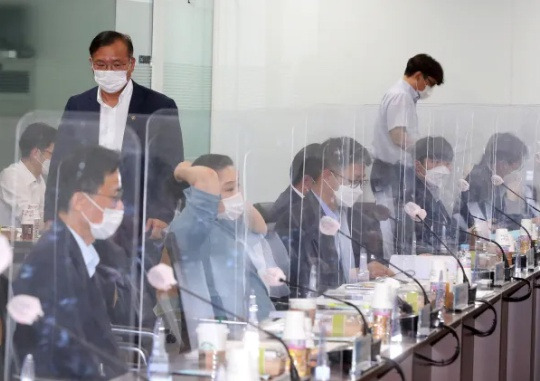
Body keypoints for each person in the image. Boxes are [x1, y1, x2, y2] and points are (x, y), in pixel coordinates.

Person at [45, 30, 184, 241]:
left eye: (117, 65)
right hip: (85, 218)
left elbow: (170, 164)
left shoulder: (158, 106)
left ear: (131, 64)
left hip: (140, 221)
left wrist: (162, 213)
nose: (109, 71)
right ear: (91, 63)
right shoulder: (78, 104)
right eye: (101, 64)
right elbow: (60, 164)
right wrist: (52, 213)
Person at [12, 146, 127, 380]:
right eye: (114, 198)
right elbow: (66, 358)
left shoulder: (79, 253)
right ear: (81, 202)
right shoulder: (52, 263)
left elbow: (97, 341)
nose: (120, 208)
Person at [275, 137, 392, 295]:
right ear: (327, 176)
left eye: (361, 181)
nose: (358, 189)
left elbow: (372, 260)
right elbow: (306, 284)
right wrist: (355, 274)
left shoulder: (355, 217)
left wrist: (370, 269)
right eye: (354, 180)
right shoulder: (296, 220)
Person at [168, 155, 276, 324]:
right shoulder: (191, 229)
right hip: (225, 330)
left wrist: (238, 201)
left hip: (262, 322)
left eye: (237, 186)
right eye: (229, 189)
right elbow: (205, 179)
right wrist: (181, 171)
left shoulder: (227, 222)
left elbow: (260, 227)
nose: (237, 195)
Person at [371, 54, 444, 257]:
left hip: (397, 170)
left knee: (402, 227)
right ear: (418, 76)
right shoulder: (400, 96)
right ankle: (392, 266)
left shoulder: (404, 96)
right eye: (429, 84)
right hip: (389, 171)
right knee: (391, 228)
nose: (429, 90)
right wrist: (422, 150)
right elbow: (397, 136)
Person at [459, 132, 536, 231]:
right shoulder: (477, 181)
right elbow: (486, 225)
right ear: (502, 163)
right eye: (513, 169)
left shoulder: (494, 180)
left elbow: (501, 220)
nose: (515, 174)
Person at [0, 122, 56, 226]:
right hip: (8, 241)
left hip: (28, 241)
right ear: (36, 153)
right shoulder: (12, 176)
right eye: (52, 154)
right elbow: (28, 218)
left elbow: (43, 218)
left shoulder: (40, 180)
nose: (54, 159)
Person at [407, 136, 455, 253]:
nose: (442, 168)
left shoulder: (442, 193)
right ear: (417, 164)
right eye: (435, 161)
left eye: (447, 163)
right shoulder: (409, 194)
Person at [268, 143, 322, 223]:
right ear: (306, 182)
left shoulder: (294, 200)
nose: (336, 186)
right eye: (327, 178)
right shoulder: (294, 215)